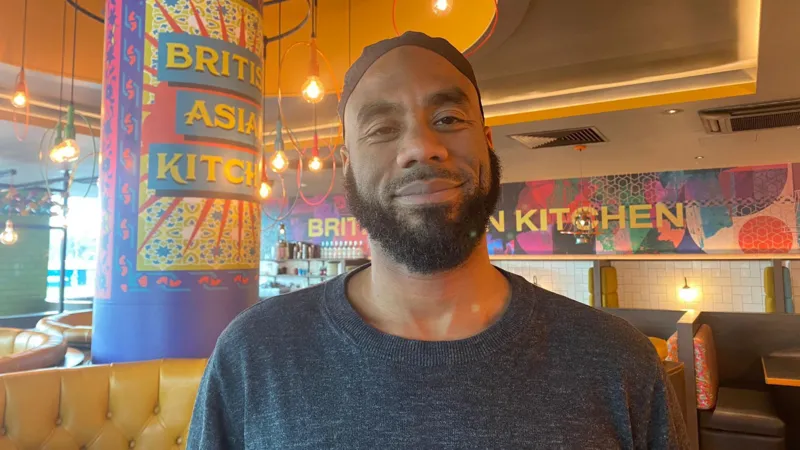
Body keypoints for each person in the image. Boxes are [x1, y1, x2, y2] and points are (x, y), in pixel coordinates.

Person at [187, 31, 689, 449]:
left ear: (487, 144)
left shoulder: (616, 360)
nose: (421, 147)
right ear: (347, 164)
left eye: (448, 119)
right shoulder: (254, 354)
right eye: (382, 128)